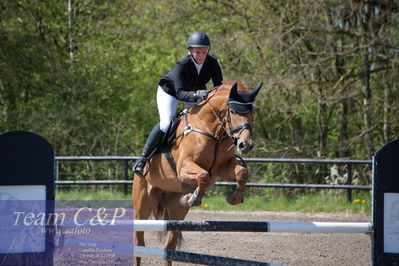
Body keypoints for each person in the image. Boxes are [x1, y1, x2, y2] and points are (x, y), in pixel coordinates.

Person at [133, 31, 223, 177]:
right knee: (166, 123)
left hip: (194, 93)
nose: (201, 55)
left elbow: (219, 87)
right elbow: (180, 94)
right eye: (197, 52)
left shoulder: (212, 63)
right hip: (170, 92)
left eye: (204, 52)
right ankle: (142, 159)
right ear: (190, 51)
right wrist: (198, 94)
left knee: (207, 119)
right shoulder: (182, 64)